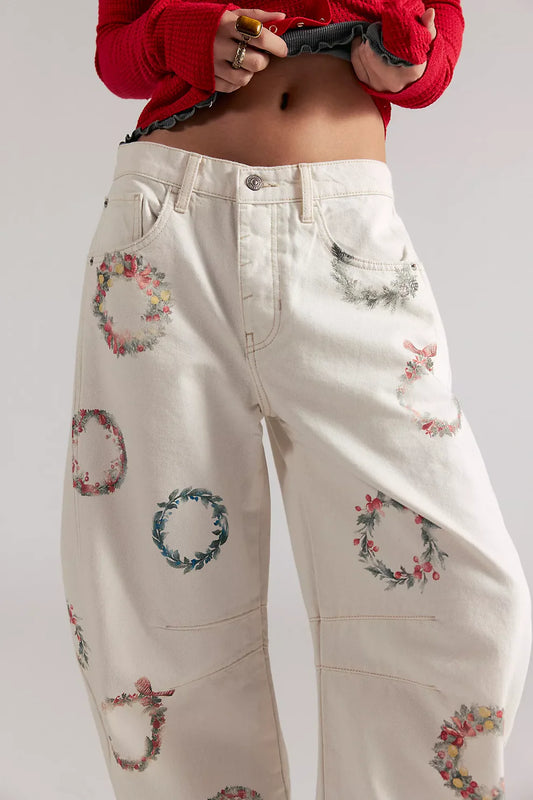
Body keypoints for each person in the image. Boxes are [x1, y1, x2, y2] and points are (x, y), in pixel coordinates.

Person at [60, 2, 532, 798]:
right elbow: (118, 50)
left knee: (469, 594)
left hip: (347, 234)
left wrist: (405, 57)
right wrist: (193, 36)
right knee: (151, 601)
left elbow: (434, 48)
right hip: (167, 231)